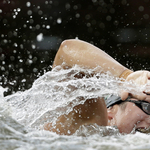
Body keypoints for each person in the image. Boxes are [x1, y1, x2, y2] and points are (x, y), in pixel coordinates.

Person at [43, 39, 150, 135]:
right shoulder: (93, 126)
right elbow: (66, 50)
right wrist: (124, 76)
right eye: (147, 107)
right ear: (111, 111)